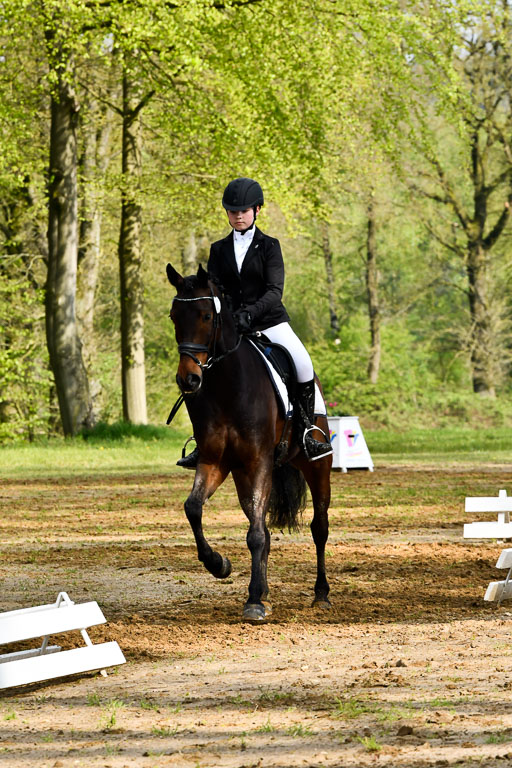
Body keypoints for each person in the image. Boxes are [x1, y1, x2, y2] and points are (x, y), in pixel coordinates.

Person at [177, 177, 333, 468]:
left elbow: (274, 291)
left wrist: (250, 312)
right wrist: (227, 314)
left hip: (269, 322)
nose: (238, 216)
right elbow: (215, 291)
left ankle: (309, 432)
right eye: (233, 211)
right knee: (198, 370)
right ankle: (202, 441)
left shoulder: (270, 246)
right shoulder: (218, 249)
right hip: (232, 329)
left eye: (244, 211)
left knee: (303, 364)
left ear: (257, 210)